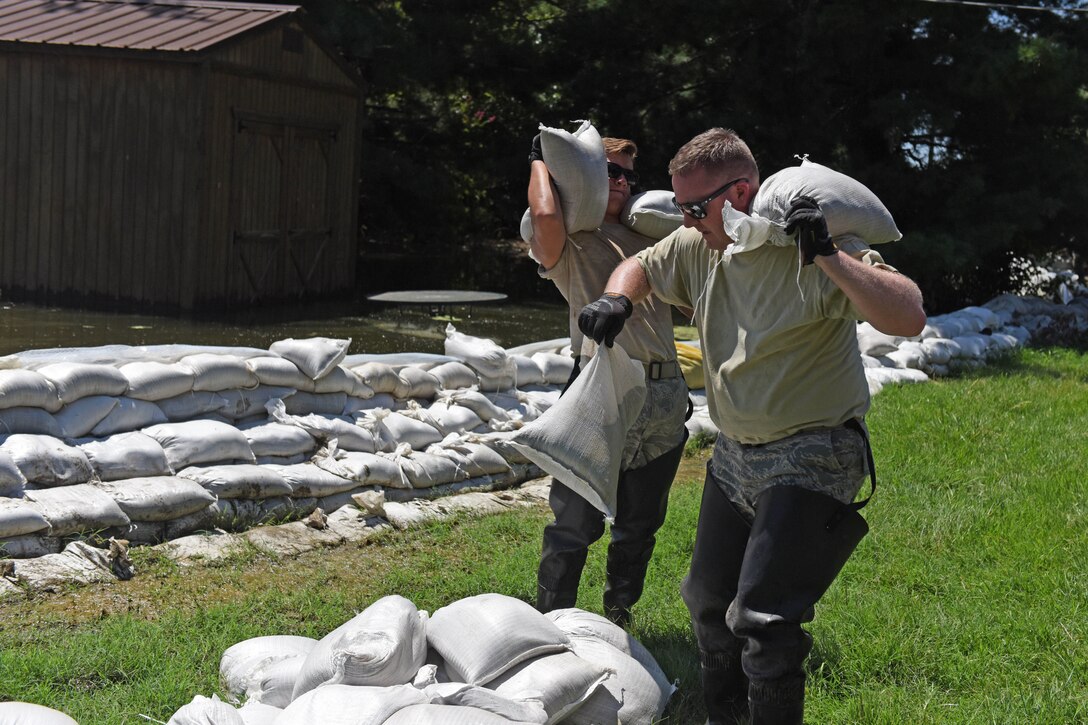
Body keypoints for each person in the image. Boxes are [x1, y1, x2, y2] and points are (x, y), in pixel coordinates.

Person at [578, 128, 926, 723]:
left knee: (764, 615)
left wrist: (829, 255)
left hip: (814, 452)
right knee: (710, 602)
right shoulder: (699, 246)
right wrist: (618, 299)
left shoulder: (810, 250)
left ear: (740, 192)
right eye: (680, 206)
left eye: (695, 206)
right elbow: (638, 264)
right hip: (736, 455)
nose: (686, 219)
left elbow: (909, 315)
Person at [526, 132, 690, 628]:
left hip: (664, 394)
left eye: (626, 175)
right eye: (608, 172)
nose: (618, 183)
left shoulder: (659, 243)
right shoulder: (573, 243)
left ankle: (618, 617)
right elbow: (546, 218)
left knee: (640, 524)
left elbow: (694, 302)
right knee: (575, 519)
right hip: (601, 388)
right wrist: (538, 163)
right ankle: (553, 623)